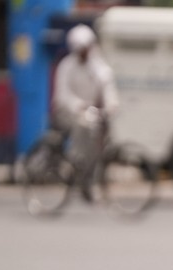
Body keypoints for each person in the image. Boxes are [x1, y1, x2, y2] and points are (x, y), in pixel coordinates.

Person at [51, 24, 119, 199]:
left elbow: (107, 85)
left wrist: (111, 104)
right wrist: (79, 106)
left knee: (101, 139)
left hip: (91, 113)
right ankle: (73, 161)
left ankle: (89, 179)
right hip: (66, 113)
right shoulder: (66, 66)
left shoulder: (97, 66)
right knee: (83, 125)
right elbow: (63, 95)